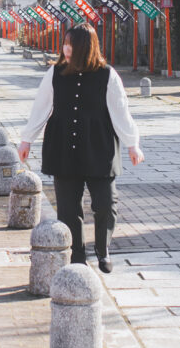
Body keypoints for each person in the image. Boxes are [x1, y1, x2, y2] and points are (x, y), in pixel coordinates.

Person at [18, 22, 144, 273]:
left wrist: (132, 144)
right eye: (65, 44)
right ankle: (76, 255)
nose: (66, 49)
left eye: (71, 45)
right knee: (67, 206)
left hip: (99, 146)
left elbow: (121, 112)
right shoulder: (54, 73)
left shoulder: (107, 75)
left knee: (105, 203)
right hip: (63, 145)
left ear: (87, 47)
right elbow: (40, 108)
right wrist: (26, 139)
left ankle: (103, 249)